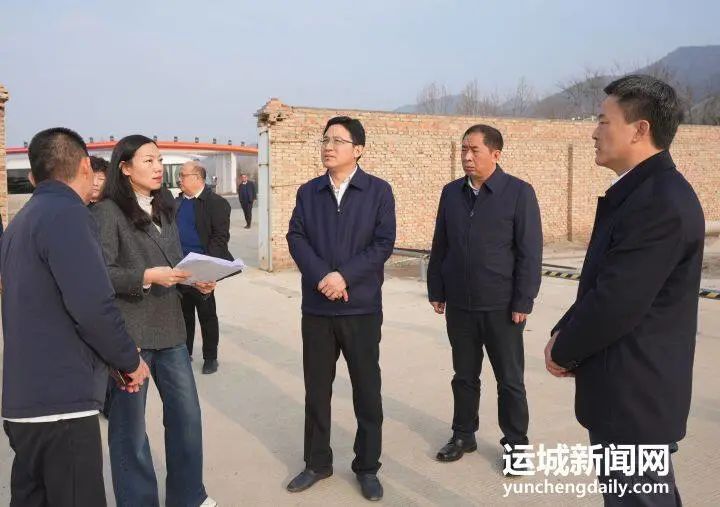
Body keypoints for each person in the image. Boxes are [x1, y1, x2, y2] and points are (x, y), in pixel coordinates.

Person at [546, 75, 704, 506]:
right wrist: (564, 330)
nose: (594, 132)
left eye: (604, 121)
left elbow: (617, 301)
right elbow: (605, 280)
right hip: (625, 392)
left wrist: (564, 349)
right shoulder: (642, 194)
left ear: (639, 129)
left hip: (634, 398)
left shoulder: (659, 202)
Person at [1, 127, 149, 506]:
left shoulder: (21, 221)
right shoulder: (68, 215)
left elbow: (49, 307)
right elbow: (92, 306)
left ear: (33, 175)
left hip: (25, 405)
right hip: (61, 405)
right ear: (85, 165)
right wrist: (129, 360)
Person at [92, 135, 217, 507]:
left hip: (172, 331)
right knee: (129, 431)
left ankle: (188, 496)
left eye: (160, 160)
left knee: (187, 418)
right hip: (131, 338)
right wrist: (146, 276)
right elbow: (100, 273)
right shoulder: (107, 212)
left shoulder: (165, 208)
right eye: (148, 160)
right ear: (125, 168)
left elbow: (175, 265)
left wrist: (197, 282)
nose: (158, 167)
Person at [285, 116, 396, 501]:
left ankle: (367, 467)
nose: (328, 147)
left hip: (360, 308)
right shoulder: (308, 192)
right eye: (325, 140)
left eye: (338, 141)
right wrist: (322, 277)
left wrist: (344, 277)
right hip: (317, 309)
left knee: (367, 391)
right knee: (317, 391)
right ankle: (317, 462)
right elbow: (295, 237)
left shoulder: (378, 191)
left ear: (358, 149)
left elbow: (383, 244)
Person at [427, 124, 542, 467]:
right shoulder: (451, 193)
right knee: (464, 376)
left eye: (474, 150)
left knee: (510, 380)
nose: (466, 156)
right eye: (463, 149)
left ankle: (516, 446)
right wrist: (437, 288)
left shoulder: (518, 193)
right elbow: (440, 243)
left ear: (495, 153)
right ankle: (463, 435)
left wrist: (523, 299)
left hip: (502, 307)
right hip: (460, 305)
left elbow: (530, 252)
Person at [175, 160, 233, 374]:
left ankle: (210, 357)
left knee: (207, 316)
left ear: (197, 178)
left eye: (183, 175)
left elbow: (220, 239)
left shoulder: (216, 203)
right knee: (184, 316)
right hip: (179, 269)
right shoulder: (177, 203)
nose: (179, 180)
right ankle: (185, 353)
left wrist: (206, 271)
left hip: (203, 270)